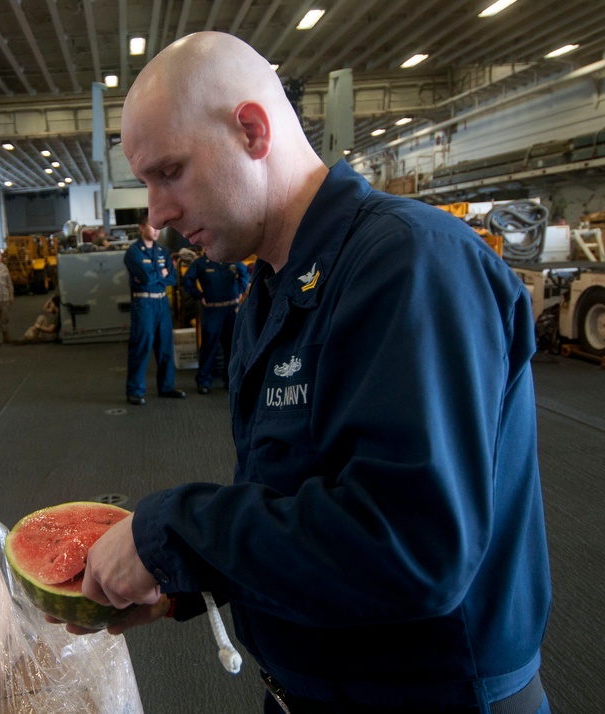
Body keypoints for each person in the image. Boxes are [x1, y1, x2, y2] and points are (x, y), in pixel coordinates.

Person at [73, 32, 551, 714]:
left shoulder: (409, 264)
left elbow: (410, 547)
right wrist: (183, 577)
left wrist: (173, 532)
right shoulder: (272, 287)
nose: (158, 214)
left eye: (170, 171)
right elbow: (302, 507)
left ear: (252, 129)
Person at [123, 212, 186, 405]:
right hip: (144, 304)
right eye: (152, 226)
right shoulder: (133, 253)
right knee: (142, 345)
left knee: (166, 346)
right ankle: (135, 391)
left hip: (161, 303)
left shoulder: (162, 252)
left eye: (159, 228)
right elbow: (151, 278)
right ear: (142, 228)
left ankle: (166, 387)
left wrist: (154, 275)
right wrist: (161, 273)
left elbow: (172, 279)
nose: (157, 231)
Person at [181, 252, 250, 394]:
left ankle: (230, 380)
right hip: (213, 310)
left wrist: (241, 290)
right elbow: (187, 280)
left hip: (231, 310)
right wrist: (198, 296)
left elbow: (244, 273)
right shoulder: (200, 263)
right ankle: (203, 381)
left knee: (232, 348)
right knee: (209, 347)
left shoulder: (232, 258)